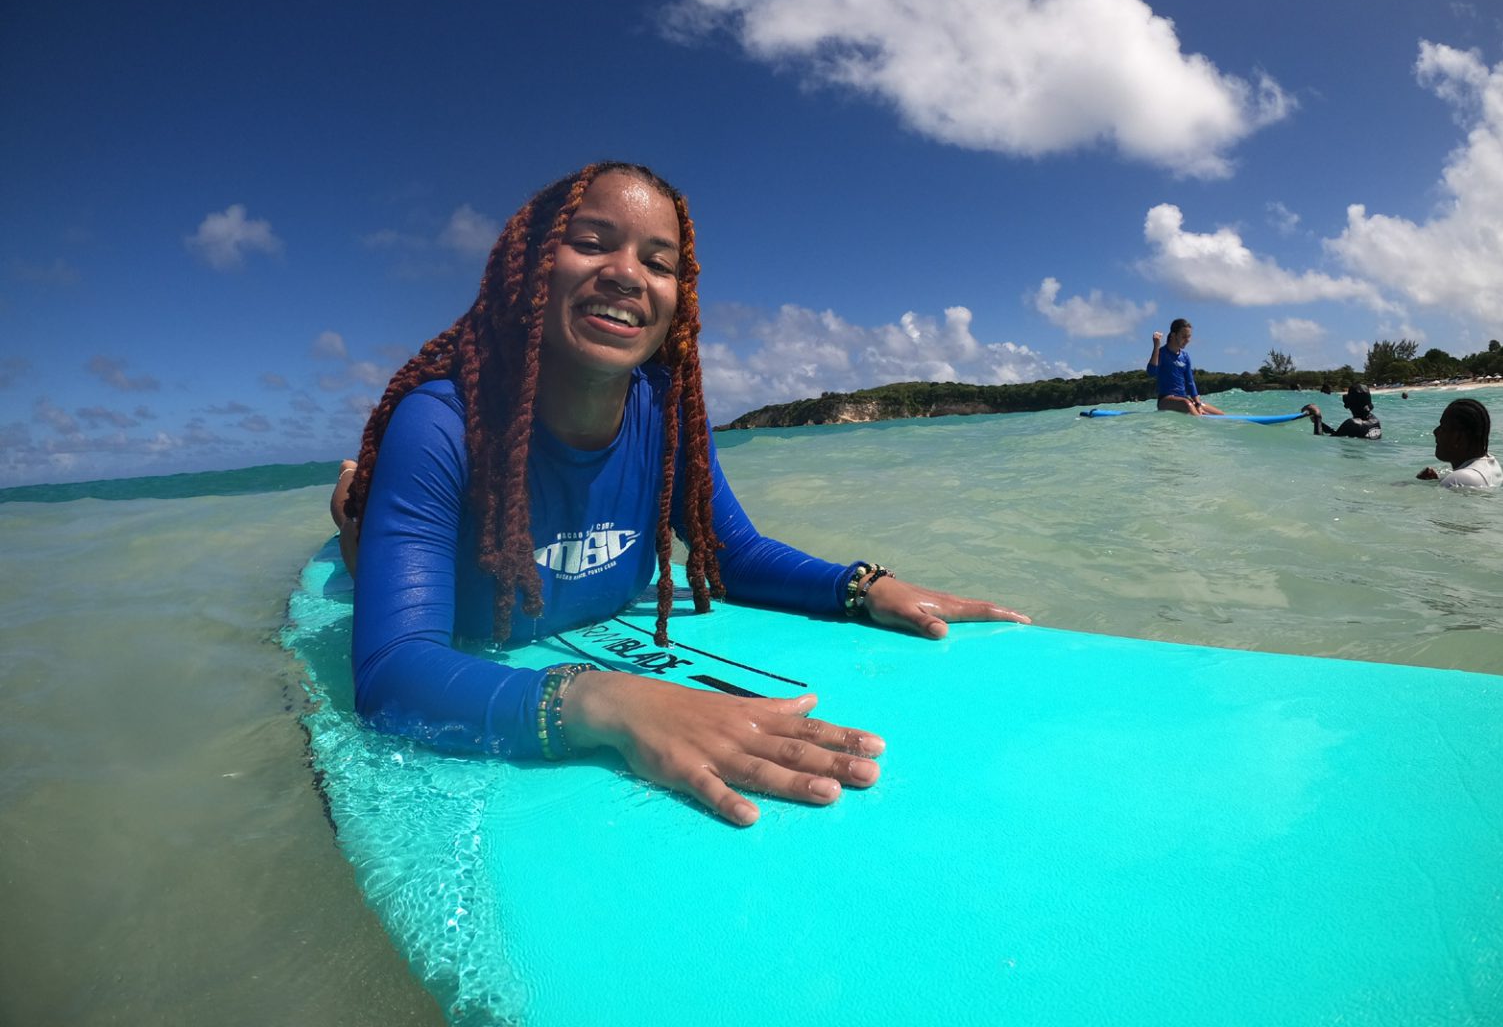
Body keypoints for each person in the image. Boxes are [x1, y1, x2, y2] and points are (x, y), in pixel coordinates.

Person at [329, 161, 1029, 828]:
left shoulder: (667, 415)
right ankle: (353, 502)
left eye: (658, 262)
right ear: (531, 268)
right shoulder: (442, 425)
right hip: (414, 511)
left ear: (678, 300)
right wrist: (606, 700)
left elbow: (733, 555)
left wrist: (861, 586)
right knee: (357, 536)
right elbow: (392, 673)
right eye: (591, 243)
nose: (626, 273)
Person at [1415, 398, 1503, 488]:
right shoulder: (1490, 464)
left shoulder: (1458, 480)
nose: (1435, 431)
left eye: (1443, 428)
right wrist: (1437, 482)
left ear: (1459, 437)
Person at [1146, 319, 1225, 415]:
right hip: (1165, 400)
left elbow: (1190, 382)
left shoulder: (1185, 356)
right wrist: (1156, 346)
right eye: (1184, 337)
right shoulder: (1162, 353)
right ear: (1173, 335)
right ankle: (1200, 422)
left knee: (1219, 413)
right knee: (1187, 404)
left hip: (1184, 399)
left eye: (1189, 337)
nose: (1187, 340)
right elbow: (1151, 372)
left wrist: (1198, 404)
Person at [1301, 384, 1381, 439]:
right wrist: (1318, 423)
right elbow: (1338, 433)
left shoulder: (1353, 423)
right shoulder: (1375, 420)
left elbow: (1320, 439)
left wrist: (1317, 415)